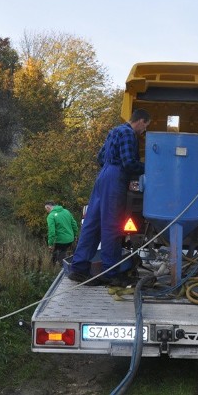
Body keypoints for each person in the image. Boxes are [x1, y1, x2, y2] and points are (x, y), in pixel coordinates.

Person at [68, 108, 150, 286]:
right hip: (115, 179)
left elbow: (100, 157)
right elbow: (129, 163)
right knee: (112, 225)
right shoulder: (129, 134)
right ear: (141, 121)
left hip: (102, 177)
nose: (144, 131)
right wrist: (150, 167)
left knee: (93, 223)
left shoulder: (114, 131)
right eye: (145, 126)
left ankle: (79, 268)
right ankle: (111, 272)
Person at [45, 201, 79, 265]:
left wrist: (50, 244)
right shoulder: (66, 211)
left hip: (61, 241)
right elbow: (74, 224)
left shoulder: (51, 216)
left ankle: (65, 269)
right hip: (70, 239)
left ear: (48, 207)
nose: (47, 211)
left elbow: (52, 232)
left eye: (46, 209)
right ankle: (52, 266)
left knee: (61, 256)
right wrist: (75, 235)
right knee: (55, 254)